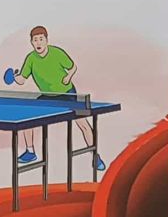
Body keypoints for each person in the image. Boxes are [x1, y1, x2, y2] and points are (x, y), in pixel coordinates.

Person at [10, 25, 102, 170]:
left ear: (46, 40)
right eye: (35, 40)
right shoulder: (31, 59)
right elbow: (22, 80)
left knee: (83, 124)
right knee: (27, 117)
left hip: (67, 94)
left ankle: (95, 155)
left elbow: (73, 67)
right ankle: (30, 151)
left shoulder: (57, 53)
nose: (38, 43)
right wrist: (15, 77)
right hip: (48, 97)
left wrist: (68, 77)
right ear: (31, 42)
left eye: (41, 39)